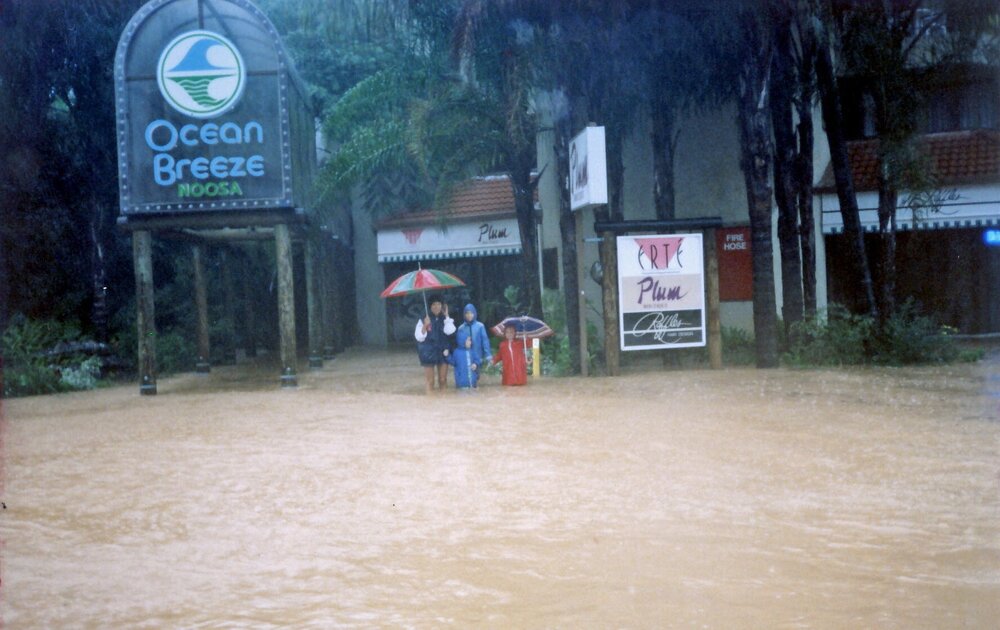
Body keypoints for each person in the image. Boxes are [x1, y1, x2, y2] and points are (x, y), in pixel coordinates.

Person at [414, 295, 455, 393]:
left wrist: (447, 316)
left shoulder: (445, 318)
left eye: (439, 304)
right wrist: (425, 325)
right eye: (434, 305)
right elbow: (419, 337)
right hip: (428, 351)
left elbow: (450, 331)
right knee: (430, 381)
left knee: (443, 380)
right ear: (430, 306)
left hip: (442, 350)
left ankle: (444, 402)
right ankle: (430, 403)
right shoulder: (423, 318)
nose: (436, 307)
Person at [450, 303, 492, 389]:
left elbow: (485, 341)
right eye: (467, 313)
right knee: (467, 376)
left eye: (471, 313)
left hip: (477, 356)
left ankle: (475, 395)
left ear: (475, 313)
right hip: (465, 357)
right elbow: (459, 342)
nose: (469, 315)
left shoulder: (480, 326)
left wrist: (488, 355)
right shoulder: (461, 328)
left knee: (477, 376)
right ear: (464, 314)